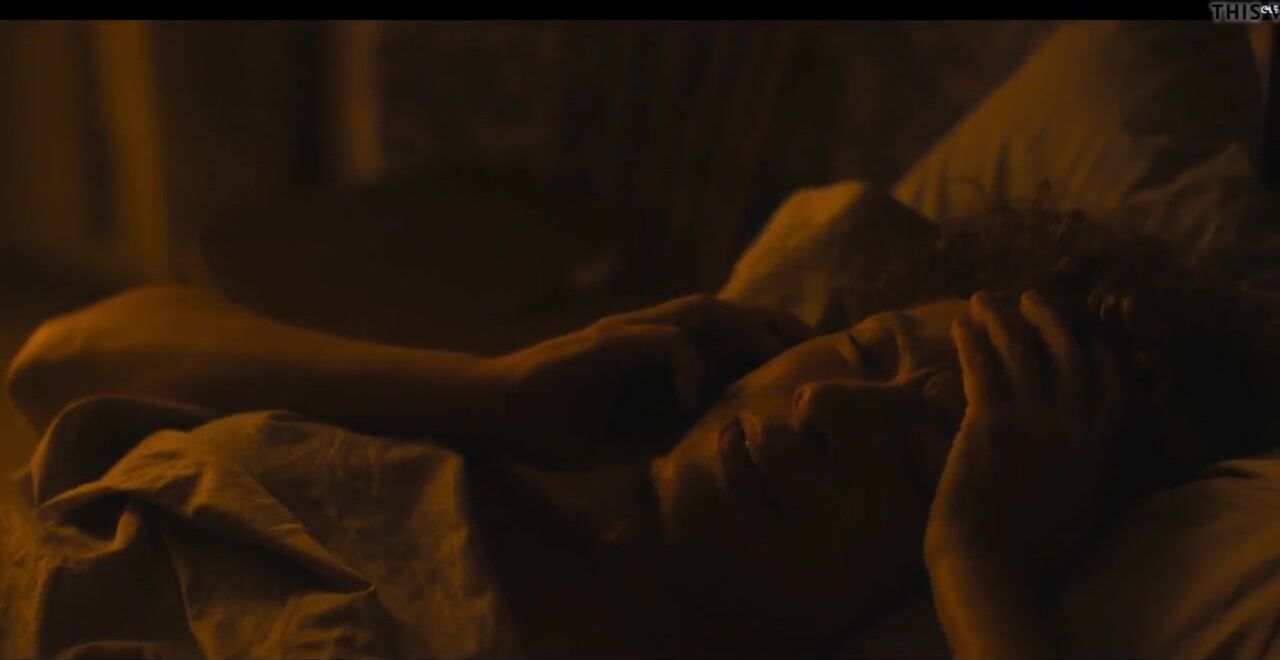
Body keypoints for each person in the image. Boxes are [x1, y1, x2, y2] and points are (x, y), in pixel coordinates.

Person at [8, 202, 1276, 657]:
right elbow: (62, 362)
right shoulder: (461, 453)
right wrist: (483, 390)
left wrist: (984, 577)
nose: (826, 408)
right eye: (863, 355)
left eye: (920, 457)